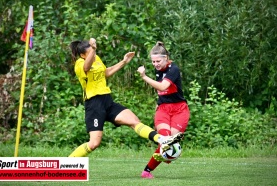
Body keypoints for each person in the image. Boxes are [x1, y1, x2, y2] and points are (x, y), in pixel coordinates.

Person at [68, 38, 183, 158]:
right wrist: (93, 49)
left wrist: (124, 61)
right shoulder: (79, 63)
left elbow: (106, 73)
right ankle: (66, 165)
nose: (94, 54)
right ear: (82, 55)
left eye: (94, 52)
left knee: (134, 121)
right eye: (91, 51)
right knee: (93, 144)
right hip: (94, 104)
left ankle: (162, 140)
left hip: (107, 101)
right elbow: (87, 67)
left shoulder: (96, 58)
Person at [137, 41, 190, 179]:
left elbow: (162, 87)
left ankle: (167, 154)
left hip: (180, 110)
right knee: (164, 141)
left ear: (166, 58)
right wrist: (158, 103)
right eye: (153, 62)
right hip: (163, 110)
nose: (155, 65)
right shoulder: (158, 69)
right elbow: (161, 92)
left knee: (170, 146)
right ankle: (146, 172)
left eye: (158, 61)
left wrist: (144, 77)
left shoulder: (174, 69)